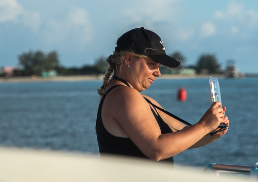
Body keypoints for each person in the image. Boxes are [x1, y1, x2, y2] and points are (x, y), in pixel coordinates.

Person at [96, 27, 229, 164]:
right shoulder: (123, 95)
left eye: (159, 66)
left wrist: (214, 130)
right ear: (129, 60)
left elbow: (184, 134)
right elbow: (156, 149)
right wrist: (204, 126)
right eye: (152, 64)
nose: (158, 72)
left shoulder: (136, 98)